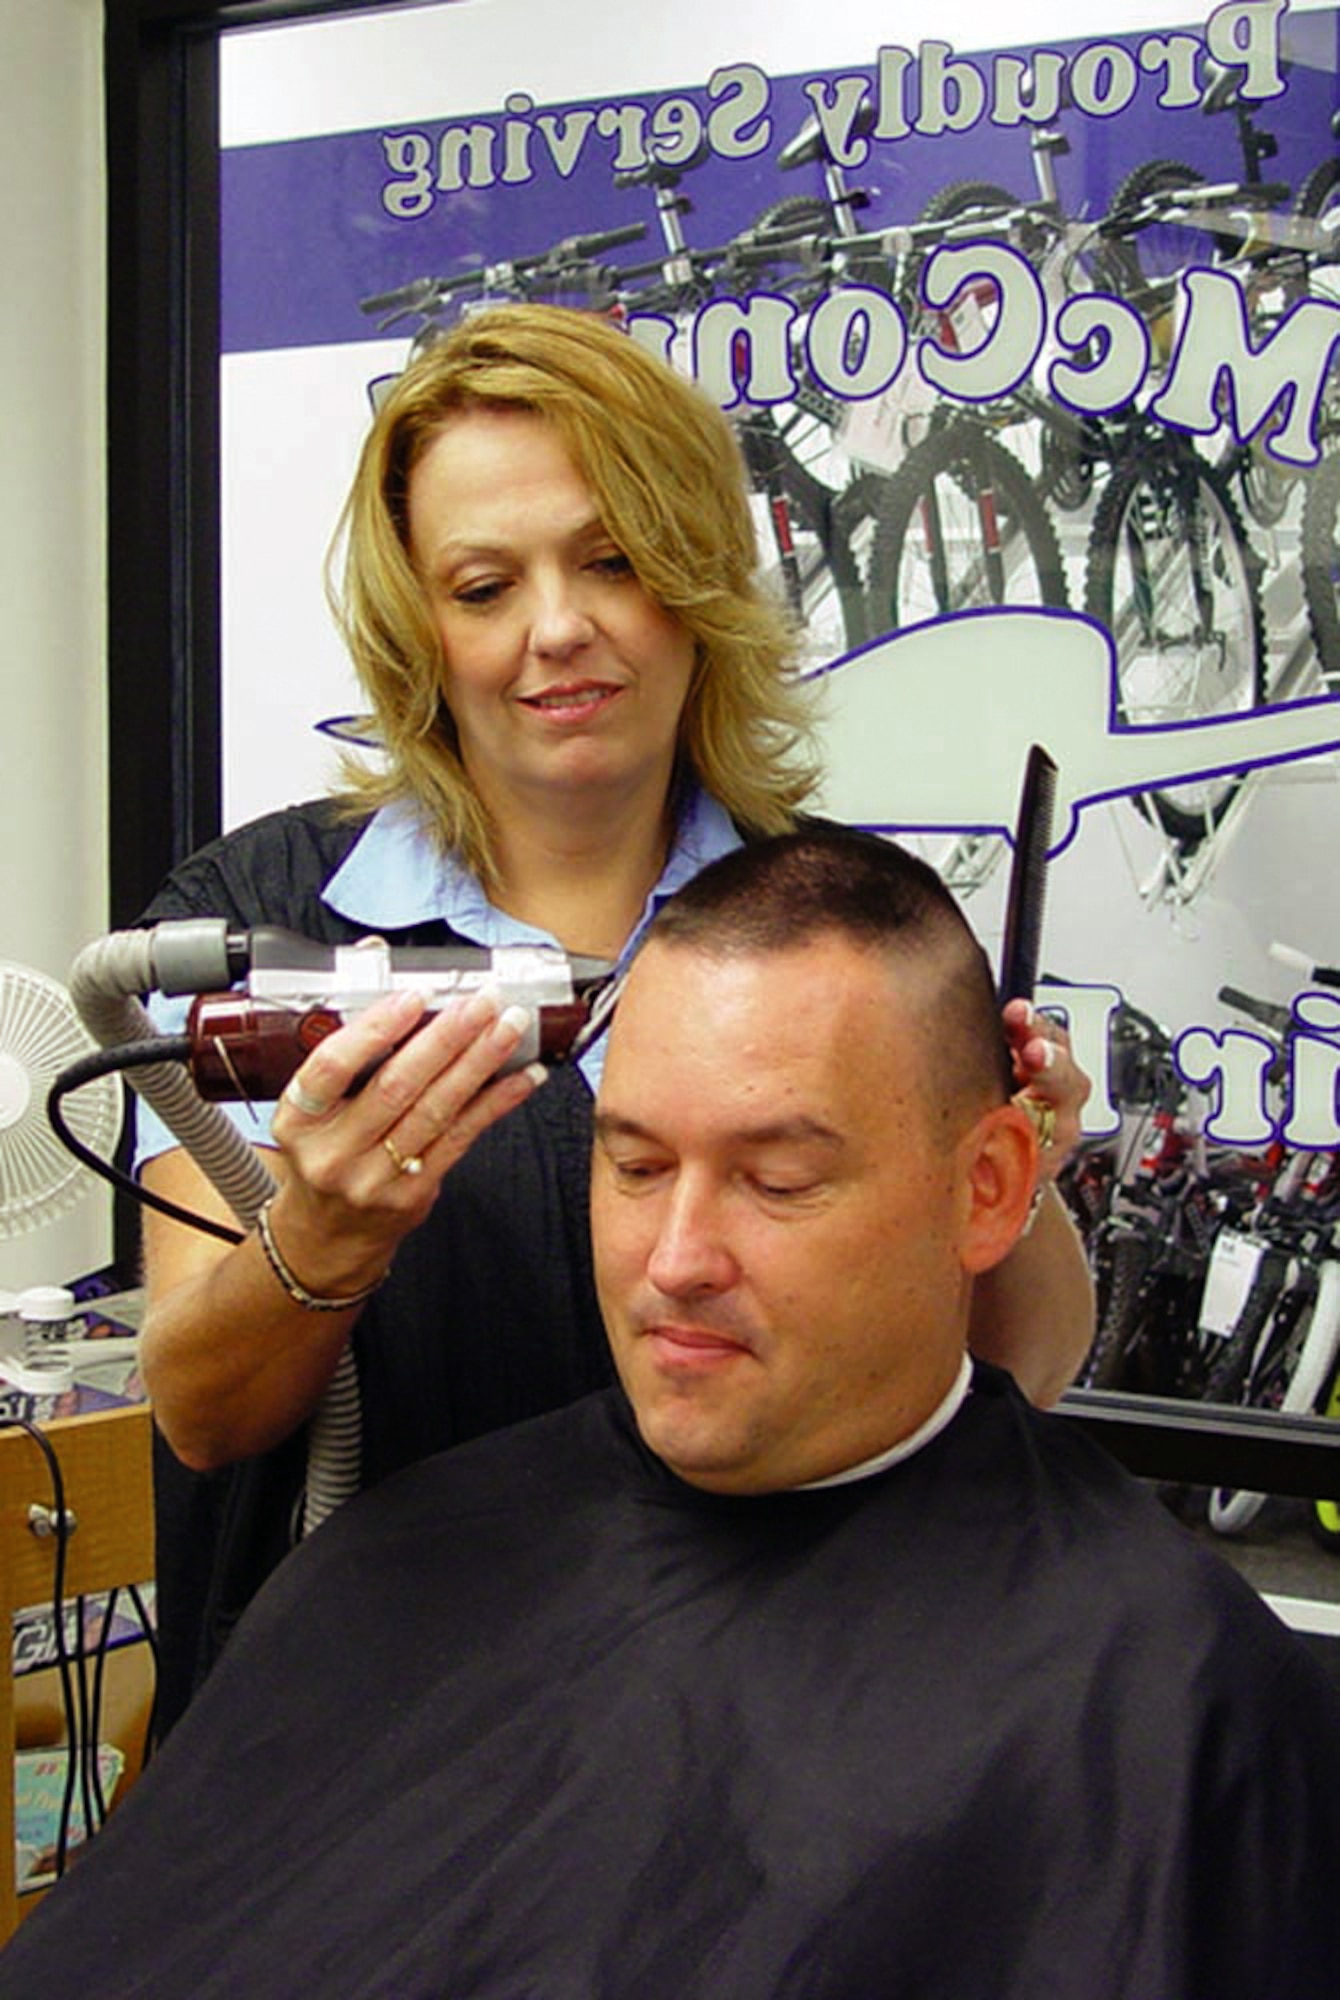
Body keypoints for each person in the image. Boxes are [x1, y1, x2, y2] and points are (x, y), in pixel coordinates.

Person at [7, 829, 1336, 1999]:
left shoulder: (1162, 1695)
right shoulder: (413, 1559)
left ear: (988, 1188)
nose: (677, 1257)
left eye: (777, 1179)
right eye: (635, 1164)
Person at [133, 303, 1094, 1726]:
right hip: (363, 1735)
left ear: (697, 577)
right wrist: (324, 1238)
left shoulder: (828, 923)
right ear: (422, 627)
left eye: (612, 559)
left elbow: (1023, 1364)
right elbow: (203, 1416)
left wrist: (1016, 1180)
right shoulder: (265, 930)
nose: (558, 629)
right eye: (482, 587)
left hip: (752, 1708)